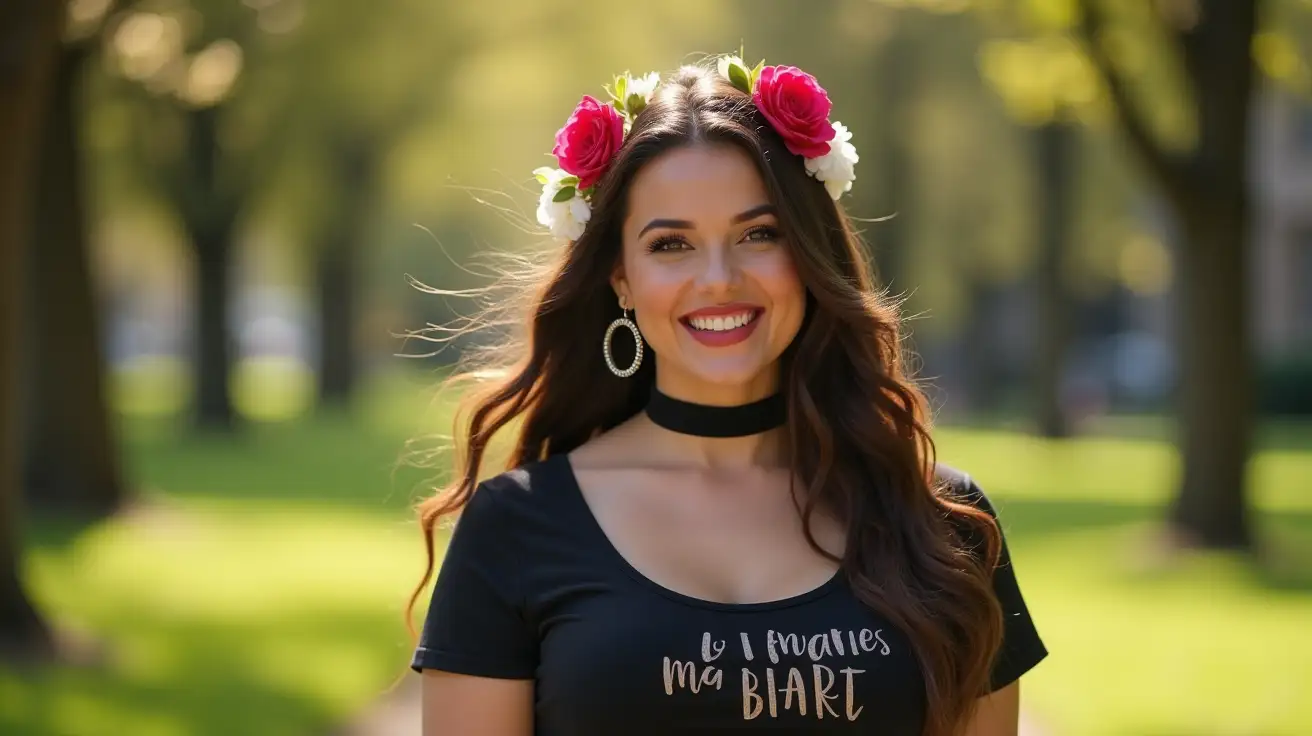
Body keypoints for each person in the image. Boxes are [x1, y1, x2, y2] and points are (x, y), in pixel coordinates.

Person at [407, 55, 1047, 736]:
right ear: (620, 279)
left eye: (758, 235)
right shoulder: (517, 527)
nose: (718, 278)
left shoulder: (942, 524)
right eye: (671, 244)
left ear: (808, 254)